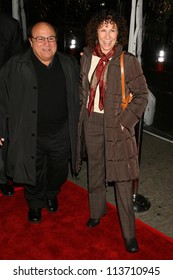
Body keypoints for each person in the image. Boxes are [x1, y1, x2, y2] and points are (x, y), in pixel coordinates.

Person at [76, 9, 148, 253]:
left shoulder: (127, 60)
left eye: (112, 30)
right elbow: (83, 88)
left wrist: (124, 121)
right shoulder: (86, 56)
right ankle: (97, 212)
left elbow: (142, 95)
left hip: (117, 124)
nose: (107, 36)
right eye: (103, 29)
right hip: (91, 122)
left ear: (120, 34)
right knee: (95, 170)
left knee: (122, 179)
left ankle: (129, 234)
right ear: (95, 32)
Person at [0, 21, 79, 223]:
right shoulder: (15, 66)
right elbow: (2, 99)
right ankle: (35, 203)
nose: (46, 43)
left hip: (60, 131)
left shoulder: (69, 64)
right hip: (29, 131)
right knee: (31, 170)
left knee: (58, 169)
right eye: (40, 38)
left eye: (51, 38)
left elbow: (79, 97)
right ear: (31, 41)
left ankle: (51, 193)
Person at [0, 11, 24, 196]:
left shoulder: (9, 25)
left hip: (2, 88)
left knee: (2, 132)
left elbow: (17, 60)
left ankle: (1, 177)